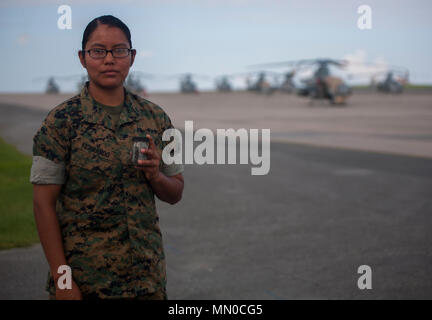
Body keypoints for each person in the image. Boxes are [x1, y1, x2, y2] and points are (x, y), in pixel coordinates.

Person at [30, 15, 184, 300]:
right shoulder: (60, 123)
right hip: (87, 283)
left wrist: (155, 176)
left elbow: (176, 192)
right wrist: (63, 281)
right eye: (98, 51)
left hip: (147, 282)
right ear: (82, 57)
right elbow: (43, 206)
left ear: (132, 56)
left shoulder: (156, 118)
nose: (109, 59)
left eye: (120, 50)